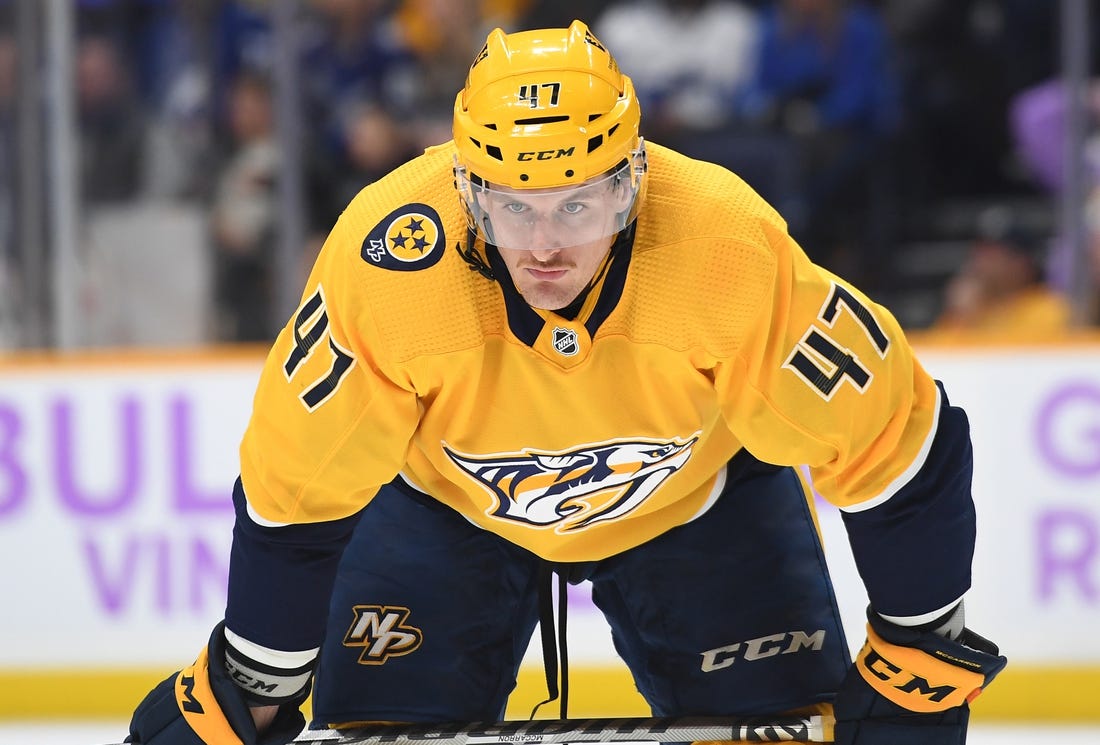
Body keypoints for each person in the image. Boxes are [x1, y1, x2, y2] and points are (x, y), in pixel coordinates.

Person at [125, 21, 1005, 745]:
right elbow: (298, 489)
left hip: (699, 497)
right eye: (514, 205)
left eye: (578, 202)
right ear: (467, 192)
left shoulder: (724, 248)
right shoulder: (390, 262)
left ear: (633, 184)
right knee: (376, 729)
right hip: (444, 503)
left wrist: (920, 650)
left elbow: (901, 446)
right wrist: (257, 673)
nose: (545, 244)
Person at [926, 205, 1071, 339]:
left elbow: (1017, 359)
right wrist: (960, 316)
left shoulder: (1048, 309)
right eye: (980, 251)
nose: (982, 261)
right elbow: (938, 356)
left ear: (1022, 262)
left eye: (994, 253)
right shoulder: (967, 309)